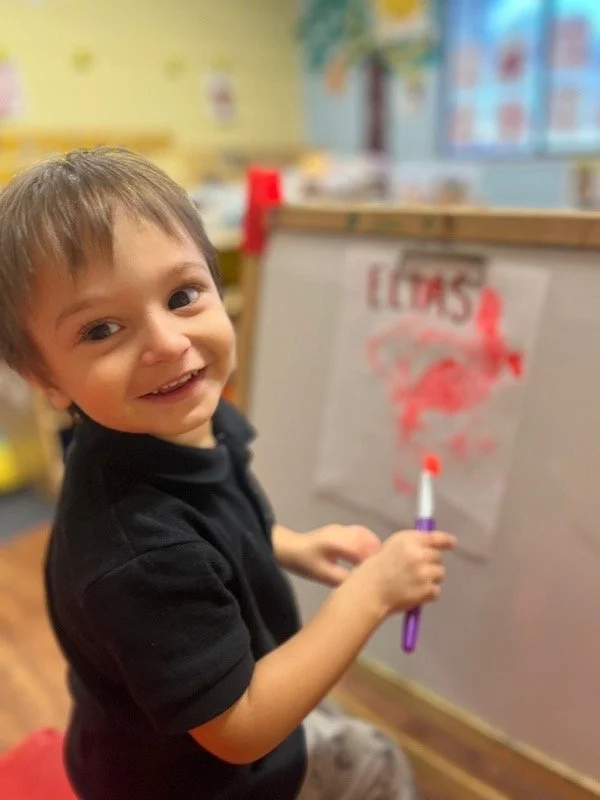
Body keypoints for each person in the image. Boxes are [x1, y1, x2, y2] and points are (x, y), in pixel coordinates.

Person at [0, 147, 457, 800]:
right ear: (46, 378)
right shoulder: (139, 551)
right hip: (194, 781)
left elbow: (221, 518)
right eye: (102, 329)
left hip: (189, 723)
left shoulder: (182, 421)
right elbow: (240, 728)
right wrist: (373, 594)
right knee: (375, 767)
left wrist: (292, 545)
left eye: (182, 295)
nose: (165, 343)